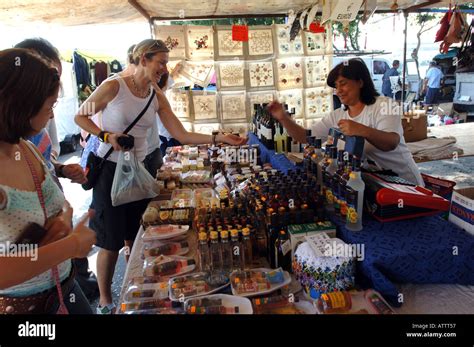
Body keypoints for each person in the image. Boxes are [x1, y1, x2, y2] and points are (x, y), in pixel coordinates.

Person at [74, 39, 246, 314]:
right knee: (109, 241)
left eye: (166, 63)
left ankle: (137, 280)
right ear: (143, 58)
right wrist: (107, 136)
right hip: (110, 171)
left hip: (140, 171)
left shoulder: (155, 95)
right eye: (161, 62)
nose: (165, 69)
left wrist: (220, 138)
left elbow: (181, 134)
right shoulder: (114, 86)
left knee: (137, 232)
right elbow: (79, 117)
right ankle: (106, 302)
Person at [0, 48, 96, 314]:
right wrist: (71, 245)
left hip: (64, 288)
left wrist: (63, 220)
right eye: (49, 107)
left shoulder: (26, 149)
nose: (53, 115)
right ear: (20, 106)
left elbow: (58, 202)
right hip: (23, 308)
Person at [268, 58, 424, 186]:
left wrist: (362, 130)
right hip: (373, 185)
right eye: (336, 86)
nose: (338, 91)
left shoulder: (386, 105)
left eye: (343, 83)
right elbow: (306, 137)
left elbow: (391, 142)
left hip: (405, 184)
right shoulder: (338, 115)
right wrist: (283, 118)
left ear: (360, 82)